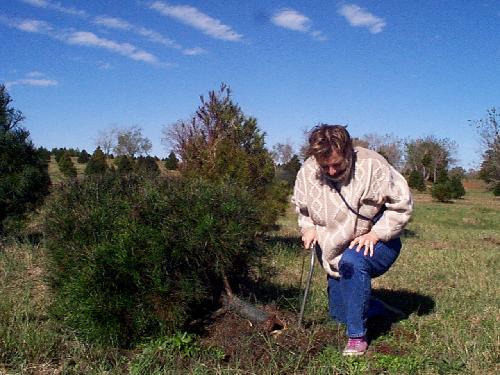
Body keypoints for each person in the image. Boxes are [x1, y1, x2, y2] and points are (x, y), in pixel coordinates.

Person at [292, 124, 413, 356]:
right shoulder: (307, 172)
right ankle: (374, 307)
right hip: (333, 248)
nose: (332, 171)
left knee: (352, 261)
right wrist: (307, 228)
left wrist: (377, 233)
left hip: (378, 242)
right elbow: (302, 209)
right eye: (324, 166)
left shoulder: (372, 164)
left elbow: (402, 205)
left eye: (337, 164)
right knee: (339, 317)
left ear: (348, 151)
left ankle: (357, 337)